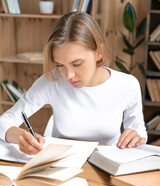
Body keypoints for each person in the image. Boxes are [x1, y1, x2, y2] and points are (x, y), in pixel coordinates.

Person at [0, 11, 147, 155]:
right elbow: (5, 121)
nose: (68, 75)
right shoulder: (52, 82)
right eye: (60, 65)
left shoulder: (127, 85)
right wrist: (18, 136)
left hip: (107, 167)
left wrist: (137, 137)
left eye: (77, 64)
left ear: (98, 52)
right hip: (59, 165)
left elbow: (139, 131)